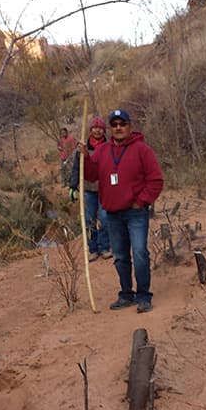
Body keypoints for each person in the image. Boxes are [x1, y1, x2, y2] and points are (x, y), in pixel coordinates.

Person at [81, 108, 163, 312]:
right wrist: (84, 158)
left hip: (135, 213)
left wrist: (142, 200)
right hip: (113, 214)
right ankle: (126, 294)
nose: (118, 128)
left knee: (140, 253)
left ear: (129, 127)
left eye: (122, 124)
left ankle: (143, 296)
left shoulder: (142, 150)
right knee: (120, 256)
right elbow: (91, 176)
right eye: (114, 124)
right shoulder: (102, 150)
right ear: (110, 128)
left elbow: (156, 180)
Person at [69, 116, 112, 262]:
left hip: (105, 189)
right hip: (88, 189)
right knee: (89, 221)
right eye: (95, 128)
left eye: (100, 128)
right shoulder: (82, 148)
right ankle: (93, 249)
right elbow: (76, 169)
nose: (98, 130)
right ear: (90, 130)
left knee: (105, 219)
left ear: (104, 130)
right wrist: (73, 187)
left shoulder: (109, 146)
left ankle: (105, 247)